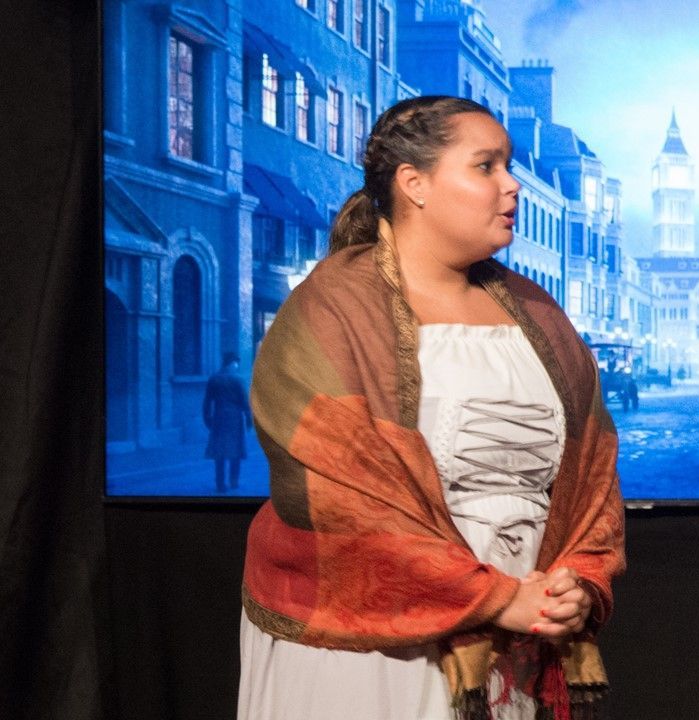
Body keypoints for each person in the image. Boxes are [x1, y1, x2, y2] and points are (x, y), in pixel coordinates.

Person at [237, 96, 625, 720]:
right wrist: (497, 599)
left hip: (521, 630)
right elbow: (340, 492)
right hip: (378, 641)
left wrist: (576, 580)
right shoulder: (333, 309)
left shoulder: (542, 316)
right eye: (486, 166)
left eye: (509, 166)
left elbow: (593, 472)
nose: (512, 185)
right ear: (414, 184)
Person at [202, 352, 251, 493]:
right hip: (235, 419)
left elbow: (207, 402)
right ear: (233, 363)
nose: (237, 366)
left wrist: (207, 419)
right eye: (236, 363)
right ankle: (233, 481)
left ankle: (220, 484)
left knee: (219, 452)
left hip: (218, 418)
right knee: (236, 450)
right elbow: (245, 402)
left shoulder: (214, 379)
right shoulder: (238, 379)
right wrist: (249, 420)